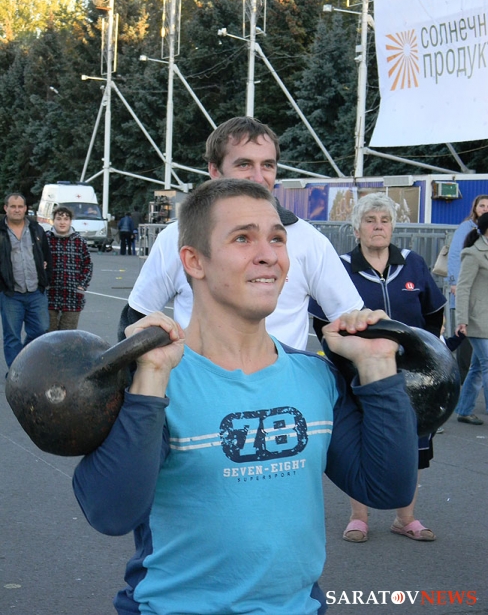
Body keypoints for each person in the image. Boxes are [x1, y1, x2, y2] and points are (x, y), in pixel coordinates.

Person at [73, 179, 418, 615]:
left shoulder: (316, 377)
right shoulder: (152, 380)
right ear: (194, 261)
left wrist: (378, 367)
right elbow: (109, 513)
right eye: (242, 238)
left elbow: (387, 489)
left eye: (277, 239)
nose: (269, 254)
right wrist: (151, 378)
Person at [123, 117, 363, 349]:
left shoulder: (309, 240)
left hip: (283, 377)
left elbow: (348, 324)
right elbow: (137, 320)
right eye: (244, 164)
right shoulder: (176, 237)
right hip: (196, 375)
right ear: (215, 170)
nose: (258, 177)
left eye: (267, 165)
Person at [309, 193, 446, 543]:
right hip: (359, 373)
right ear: (356, 229)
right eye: (370, 221)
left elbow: (433, 314)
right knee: (363, 440)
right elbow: (322, 322)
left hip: (412, 377)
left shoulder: (413, 264)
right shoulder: (340, 266)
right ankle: (359, 517)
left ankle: (406, 518)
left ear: (393, 227)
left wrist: (423, 357)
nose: (378, 227)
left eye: (384, 221)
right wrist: (346, 360)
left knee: (412, 443)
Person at [0, 192, 52, 369]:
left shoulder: (36, 229)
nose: (17, 210)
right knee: (12, 336)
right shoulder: (1, 231)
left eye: (20, 206)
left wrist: (45, 279)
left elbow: (46, 256)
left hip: (36, 292)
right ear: (6, 208)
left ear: (25, 209)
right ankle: (16, 373)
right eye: (13, 206)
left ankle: (26, 366)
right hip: (11, 294)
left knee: (40, 331)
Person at [447, 195, 488, 382]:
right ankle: (461, 376)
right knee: (466, 340)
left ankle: (466, 392)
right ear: (475, 208)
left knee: (478, 362)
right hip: (468, 295)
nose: (485, 208)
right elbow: (456, 255)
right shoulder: (466, 228)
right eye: (482, 205)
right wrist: (454, 282)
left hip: (481, 298)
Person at [454, 211, 488, 425]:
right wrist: (462, 320)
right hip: (477, 319)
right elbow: (463, 288)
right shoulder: (473, 254)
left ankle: (464, 410)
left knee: (477, 368)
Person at [45, 206, 93, 331]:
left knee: (68, 335)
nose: (62, 222)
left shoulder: (79, 241)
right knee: (48, 335)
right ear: (53, 221)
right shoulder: (45, 239)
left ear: (70, 221)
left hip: (73, 295)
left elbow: (88, 265)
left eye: (66, 219)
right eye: (59, 219)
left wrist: (81, 285)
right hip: (49, 294)